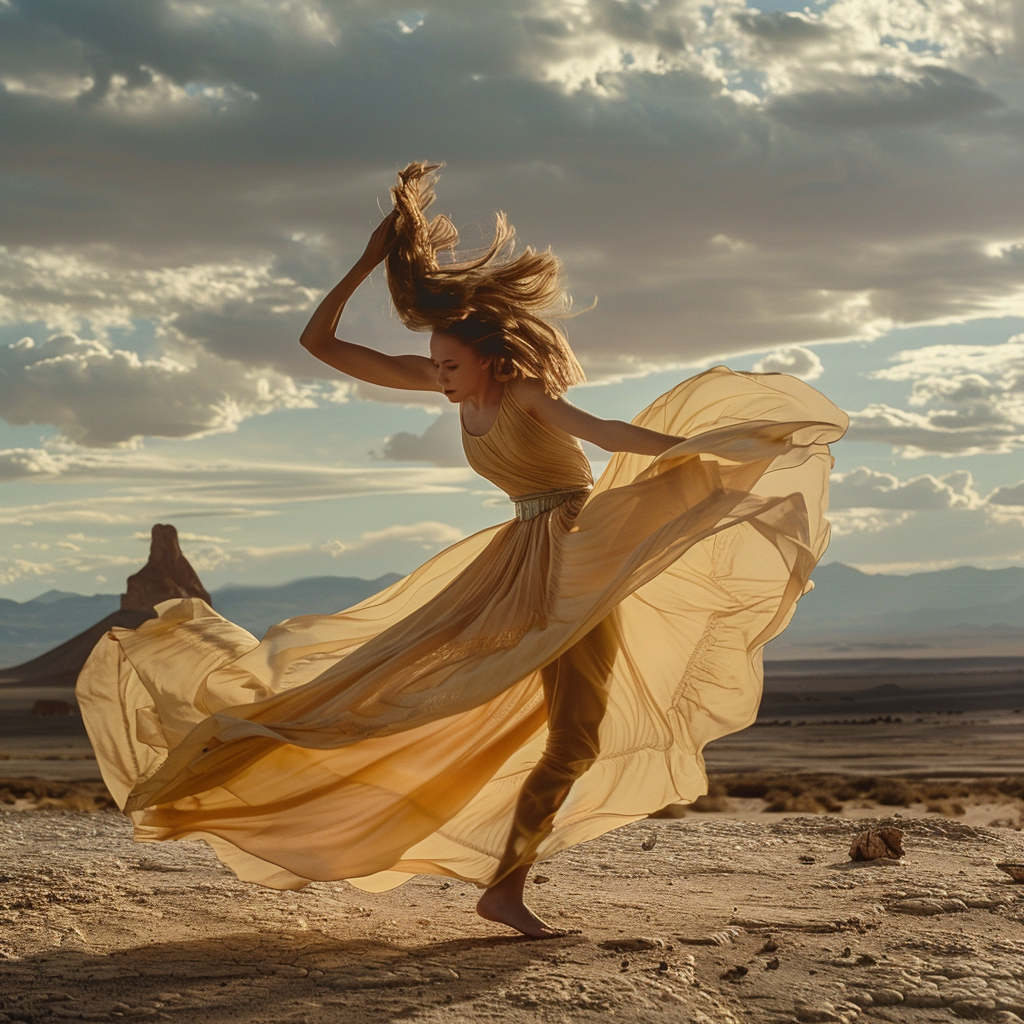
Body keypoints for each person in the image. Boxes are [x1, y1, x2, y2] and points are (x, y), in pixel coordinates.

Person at [76, 163, 848, 939]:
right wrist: (369, 259)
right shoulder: (459, 386)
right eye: (435, 366)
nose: (440, 380)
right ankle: (491, 879)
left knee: (565, 732)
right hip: (519, 566)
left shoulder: (522, 395)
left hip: (577, 551)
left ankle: (503, 881)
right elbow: (319, 342)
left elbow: (609, 436)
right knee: (411, 695)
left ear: (490, 358)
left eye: (450, 365)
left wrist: (705, 450)